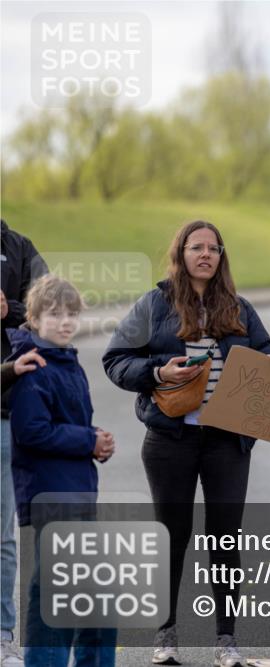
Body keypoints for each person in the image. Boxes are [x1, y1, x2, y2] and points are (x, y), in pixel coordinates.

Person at [102, 221, 270, 667]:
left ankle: (226, 640)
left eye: (213, 248)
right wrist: (157, 373)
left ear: (221, 256)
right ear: (181, 253)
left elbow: (264, 354)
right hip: (171, 439)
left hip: (228, 440)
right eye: (196, 247)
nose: (205, 254)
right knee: (172, 537)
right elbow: (115, 359)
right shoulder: (155, 304)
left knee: (226, 540)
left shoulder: (240, 308)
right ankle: (164, 636)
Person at [7, 275, 117, 667]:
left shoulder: (66, 361)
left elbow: (67, 423)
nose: (65, 321)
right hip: (50, 492)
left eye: (71, 314)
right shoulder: (34, 366)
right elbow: (31, 431)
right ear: (34, 319)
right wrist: (87, 441)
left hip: (77, 488)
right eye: (54, 314)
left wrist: (96, 439)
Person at [2, 220, 48, 667]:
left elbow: (52, 311)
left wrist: (10, 309)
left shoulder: (18, 247)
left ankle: (2, 635)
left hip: (4, 409)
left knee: (2, 533)